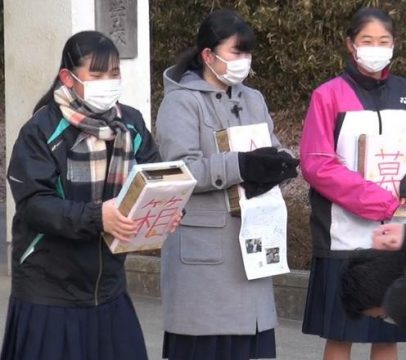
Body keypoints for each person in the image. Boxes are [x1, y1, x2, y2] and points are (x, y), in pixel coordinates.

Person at [1, 31, 162, 360]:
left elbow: (152, 177)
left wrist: (166, 208)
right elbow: (34, 205)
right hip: (50, 289)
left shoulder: (129, 124)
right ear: (68, 77)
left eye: (114, 73)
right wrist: (98, 216)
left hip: (108, 286)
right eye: (98, 74)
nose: (109, 82)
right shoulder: (41, 130)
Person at [155, 9, 299, 360]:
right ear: (208, 54)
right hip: (203, 259)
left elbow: (269, 144)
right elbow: (181, 170)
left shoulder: (253, 98)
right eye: (237, 52)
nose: (244, 61)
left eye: (248, 53)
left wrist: (279, 162)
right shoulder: (181, 101)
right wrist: (241, 165)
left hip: (253, 246)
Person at [300, 7, 406, 360]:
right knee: (340, 334)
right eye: (367, 41)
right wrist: (383, 202)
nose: (376, 48)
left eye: (384, 41)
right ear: (350, 44)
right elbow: (317, 165)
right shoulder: (328, 95)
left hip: (397, 236)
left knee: (387, 334)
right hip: (341, 236)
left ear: (395, 44)